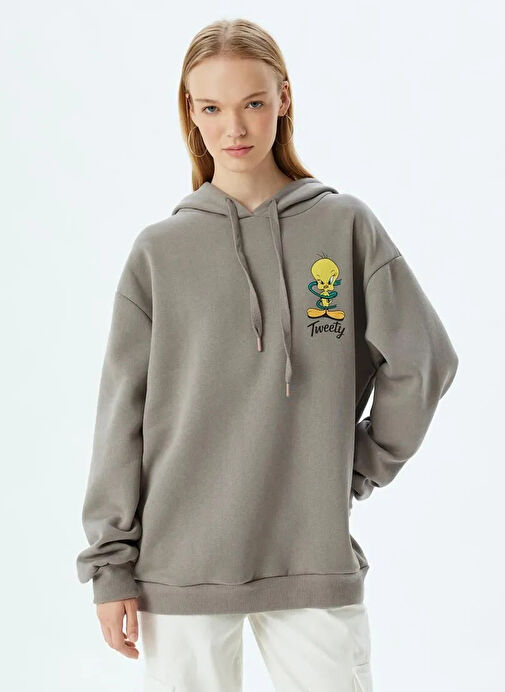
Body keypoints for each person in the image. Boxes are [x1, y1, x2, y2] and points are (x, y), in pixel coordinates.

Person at [76, 17, 459, 692]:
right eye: (211, 108)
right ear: (190, 113)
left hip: (310, 554)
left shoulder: (343, 226)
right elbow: (120, 418)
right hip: (179, 564)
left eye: (252, 102)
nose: (234, 128)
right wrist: (111, 566)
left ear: (283, 98)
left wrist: (358, 464)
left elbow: (423, 360)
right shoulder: (159, 252)